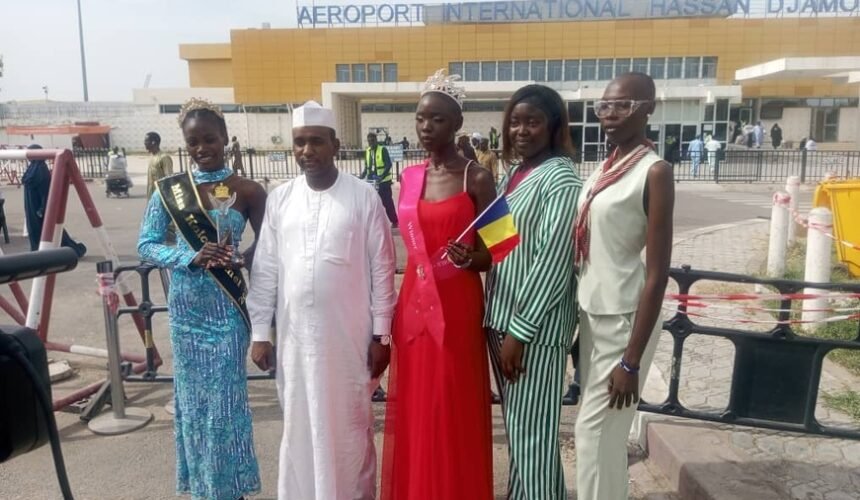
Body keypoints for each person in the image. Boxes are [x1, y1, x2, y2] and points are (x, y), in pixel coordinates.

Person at [247, 101, 396, 500]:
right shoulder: (280, 198)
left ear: (336, 145)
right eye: (299, 142)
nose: (306, 150)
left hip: (349, 340)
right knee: (299, 424)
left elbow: (383, 269)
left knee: (349, 427)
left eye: (316, 141)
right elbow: (265, 269)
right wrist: (260, 333)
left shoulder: (364, 197)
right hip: (295, 341)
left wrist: (382, 336)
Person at [137, 98, 266, 500]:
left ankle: (231, 489)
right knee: (193, 406)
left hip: (227, 311)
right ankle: (205, 488)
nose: (201, 148)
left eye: (209, 139)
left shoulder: (248, 190)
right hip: (187, 312)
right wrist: (188, 256)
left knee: (225, 406)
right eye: (193, 142)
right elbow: (146, 245)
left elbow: (270, 245)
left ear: (225, 138)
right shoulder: (170, 191)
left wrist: (242, 258)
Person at [381, 69, 496, 500]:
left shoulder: (477, 178)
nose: (426, 127)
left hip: (457, 303)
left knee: (450, 399)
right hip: (414, 300)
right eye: (420, 118)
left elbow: (500, 249)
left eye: (437, 119)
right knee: (417, 399)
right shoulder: (409, 178)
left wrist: (473, 259)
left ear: (457, 124)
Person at [574, 72, 674, 500]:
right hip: (592, 313)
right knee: (607, 438)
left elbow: (658, 273)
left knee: (592, 434)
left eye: (622, 106)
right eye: (603, 106)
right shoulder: (607, 165)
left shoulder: (654, 171)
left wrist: (631, 362)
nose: (609, 115)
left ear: (648, 109)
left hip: (624, 319)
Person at [484, 84, 581, 499]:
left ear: (553, 126)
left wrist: (519, 333)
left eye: (533, 122)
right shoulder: (514, 172)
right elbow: (502, 245)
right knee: (522, 436)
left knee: (533, 441)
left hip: (532, 332)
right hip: (501, 318)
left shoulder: (560, 178)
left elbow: (552, 262)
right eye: (515, 122)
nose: (521, 130)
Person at [22, 144, 87, 257]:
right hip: (31, 206)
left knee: (50, 232)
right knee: (35, 230)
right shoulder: (32, 169)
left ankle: (72, 251)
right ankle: (36, 253)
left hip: (39, 207)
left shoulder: (41, 170)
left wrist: (42, 209)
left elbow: (45, 191)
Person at [360, 132, 399, 228]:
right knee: (372, 203)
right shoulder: (368, 151)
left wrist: (382, 176)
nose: (371, 143)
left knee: (387, 202)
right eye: (369, 141)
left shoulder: (382, 150)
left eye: (372, 140)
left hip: (383, 182)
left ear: (376, 140)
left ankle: (394, 221)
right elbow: (367, 167)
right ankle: (375, 224)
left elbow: (388, 164)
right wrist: (361, 177)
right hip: (371, 182)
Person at [144, 132, 174, 199]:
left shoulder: (164, 158)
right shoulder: (152, 156)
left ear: (153, 142)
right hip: (152, 196)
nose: (144, 143)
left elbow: (169, 178)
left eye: (146, 141)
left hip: (161, 197)